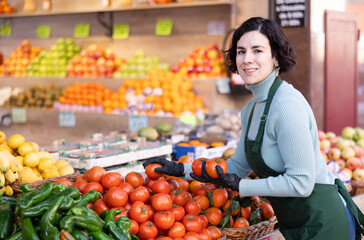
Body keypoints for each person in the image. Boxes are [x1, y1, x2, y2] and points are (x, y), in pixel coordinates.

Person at [143, 17, 364, 240]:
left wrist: (242, 186)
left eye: (257, 50)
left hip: (324, 222)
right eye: (241, 51)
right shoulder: (251, 109)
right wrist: (181, 170)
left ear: (276, 57)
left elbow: (302, 183)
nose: (247, 59)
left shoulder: (286, 105)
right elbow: (236, 167)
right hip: (296, 224)